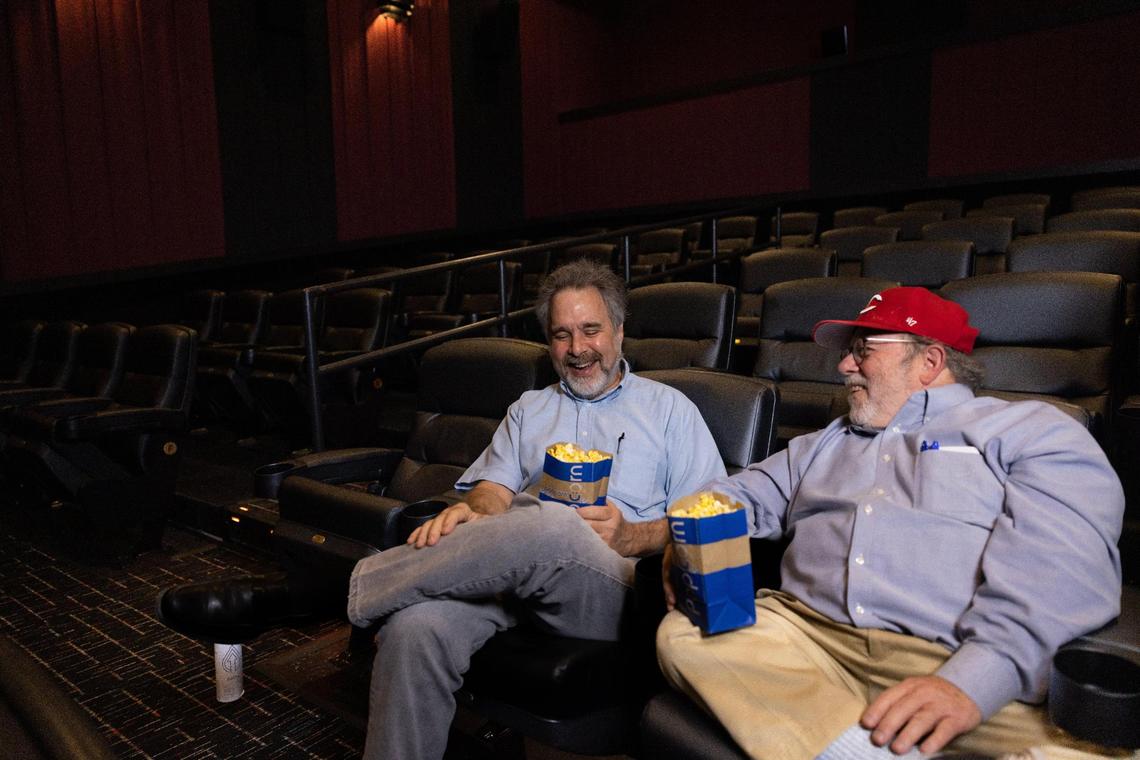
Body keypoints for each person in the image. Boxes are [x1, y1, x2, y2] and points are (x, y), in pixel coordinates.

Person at [657, 286, 1125, 760]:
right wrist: (692, 527)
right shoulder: (822, 444)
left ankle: (845, 742)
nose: (844, 366)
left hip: (954, 656)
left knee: (1099, 752)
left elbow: (1060, 571)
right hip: (808, 642)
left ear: (929, 361)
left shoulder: (1030, 431)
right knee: (685, 634)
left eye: (863, 351)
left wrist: (970, 683)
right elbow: (735, 494)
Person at [347, 259, 726, 760]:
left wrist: (634, 535)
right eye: (562, 335)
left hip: (612, 585)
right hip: (510, 574)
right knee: (413, 631)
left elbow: (709, 521)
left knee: (553, 523)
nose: (577, 348)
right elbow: (492, 491)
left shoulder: (670, 409)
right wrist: (475, 512)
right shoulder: (527, 409)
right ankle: (389, 606)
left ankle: (361, 588)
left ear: (618, 331)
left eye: (590, 330)